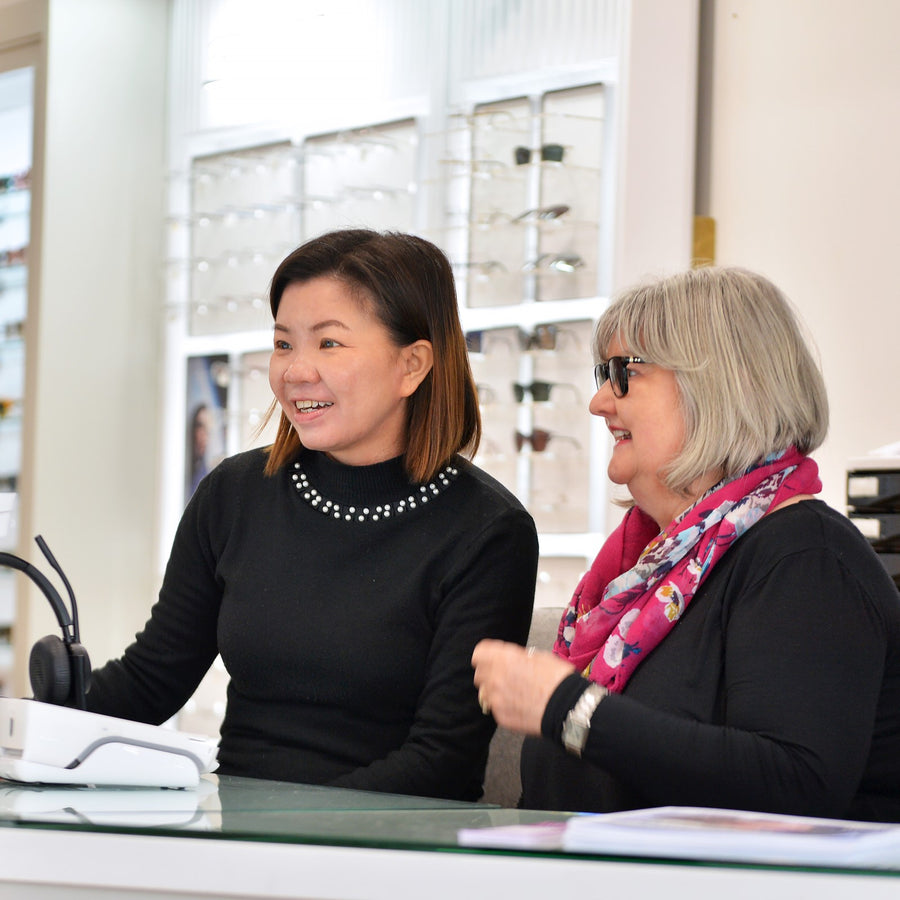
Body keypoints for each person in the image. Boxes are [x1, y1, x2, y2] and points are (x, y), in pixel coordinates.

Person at [87, 228, 539, 801]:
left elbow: (442, 762)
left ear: (413, 365)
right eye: (283, 344)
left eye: (328, 344)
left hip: (382, 856)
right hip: (238, 845)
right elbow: (150, 681)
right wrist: (24, 721)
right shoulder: (234, 493)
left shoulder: (488, 531)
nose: (295, 371)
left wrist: (291, 834)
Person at [472, 266, 900, 822]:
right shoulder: (645, 576)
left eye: (625, 373)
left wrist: (571, 709)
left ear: (722, 384)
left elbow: (796, 786)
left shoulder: (806, 556)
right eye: (603, 373)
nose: (599, 402)